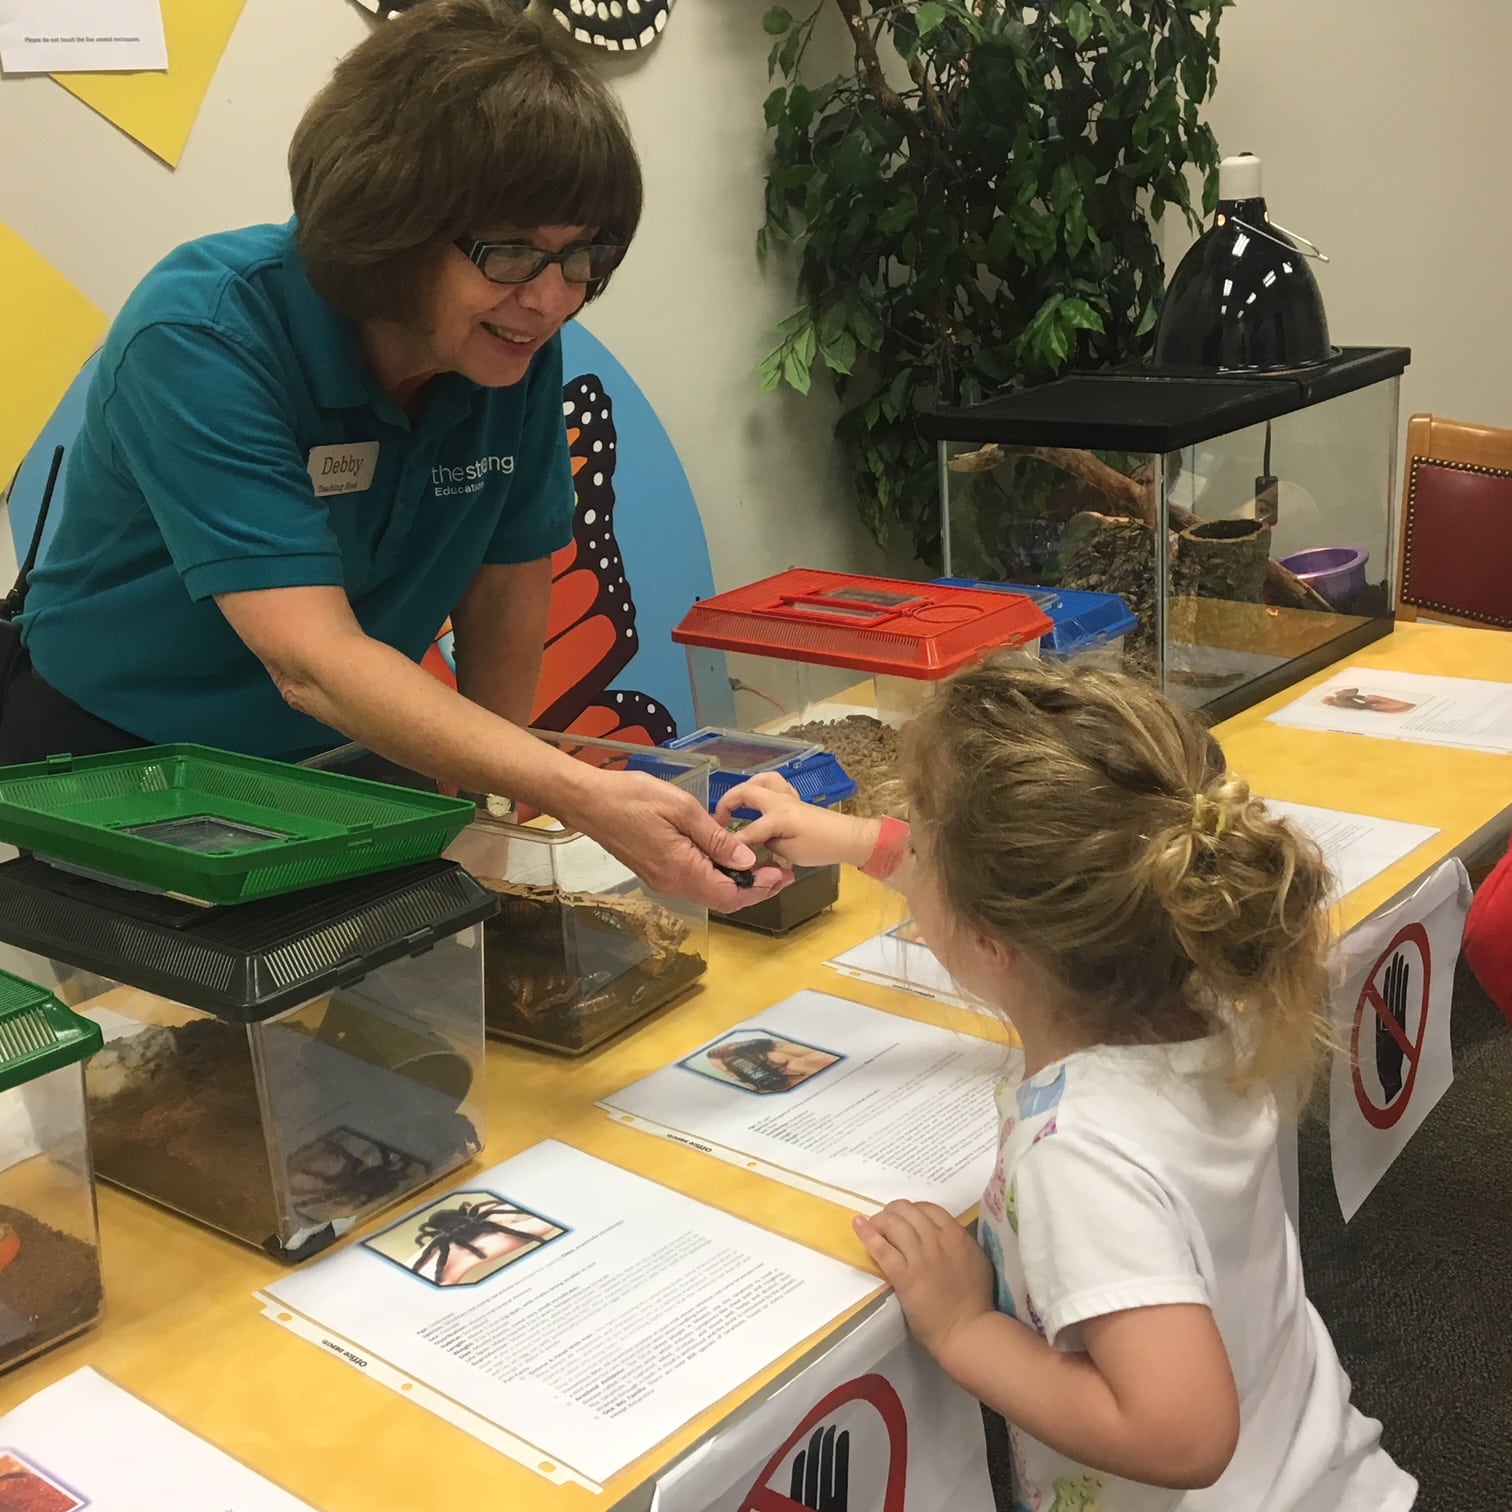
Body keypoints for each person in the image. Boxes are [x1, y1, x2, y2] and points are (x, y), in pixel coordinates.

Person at [2, 0, 780, 912]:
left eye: (584, 258)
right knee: (170, 1039)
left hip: (342, 749)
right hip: (125, 759)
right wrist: (581, 791)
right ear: (388, 224)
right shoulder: (203, 331)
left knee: (411, 1023)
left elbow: (508, 579)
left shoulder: (512, 340)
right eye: (508, 254)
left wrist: (504, 804)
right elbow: (313, 660)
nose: (550, 300)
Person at [716, 656, 1416, 1511]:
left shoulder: (1079, 1151)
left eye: (919, 836)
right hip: (1317, 1476)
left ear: (995, 941)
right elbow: (1019, 888)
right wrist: (852, 840)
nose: (906, 845)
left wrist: (966, 1327)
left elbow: (1181, 1432)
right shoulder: (1198, 976)